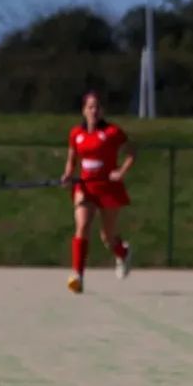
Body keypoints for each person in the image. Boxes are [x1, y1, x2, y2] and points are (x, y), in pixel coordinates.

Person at [60, 91, 134, 294]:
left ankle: (123, 252)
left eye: (97, 107)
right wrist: (68, 175)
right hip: (85, 188)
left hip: (108, 188)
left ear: (102, 110)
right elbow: (71, 160)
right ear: (83, 110)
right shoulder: (76, 134)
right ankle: (78, 275)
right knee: (82, 225)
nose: (94, 111)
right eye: (90, 107)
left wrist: (121, 172)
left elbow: (131, 153)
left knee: (107, 237)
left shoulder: (112, 132)